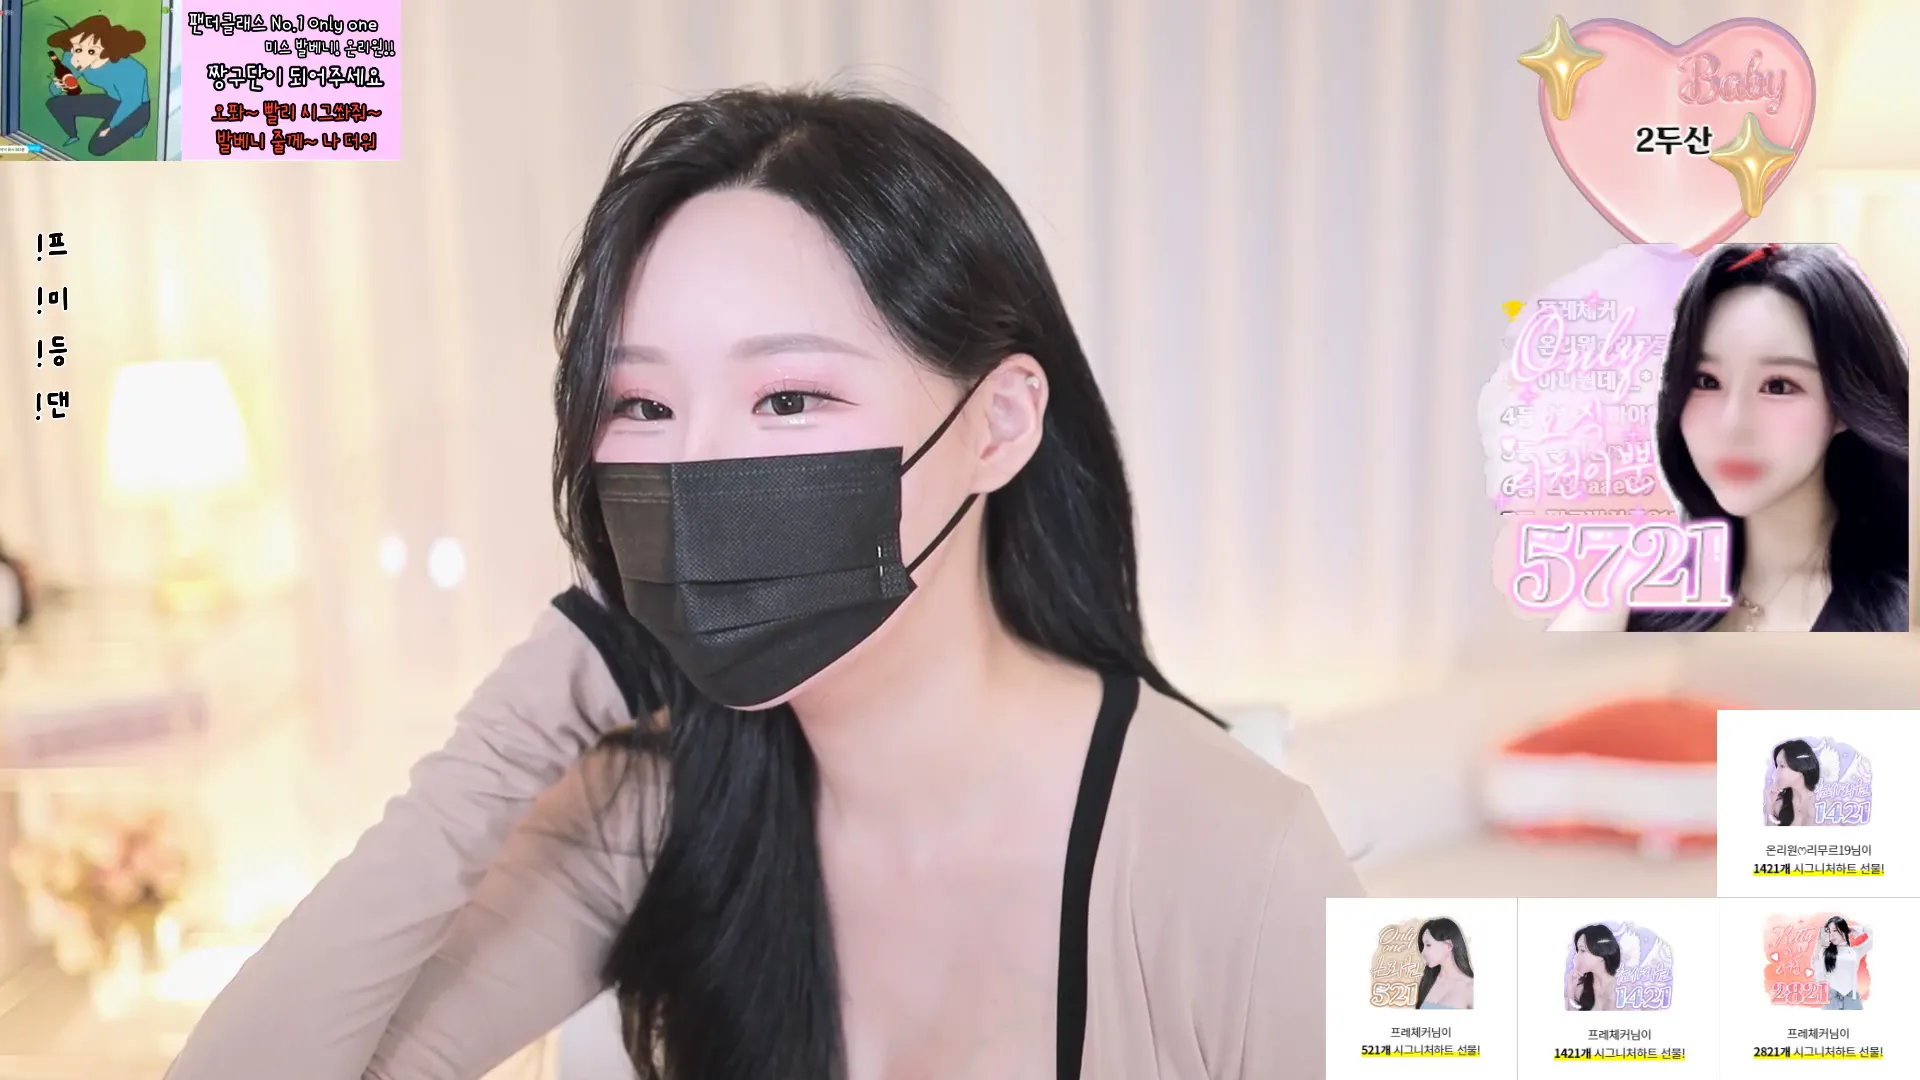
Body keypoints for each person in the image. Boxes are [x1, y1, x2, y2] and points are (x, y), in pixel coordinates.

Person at [163, 87, 1363, 1080]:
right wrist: (522, 721)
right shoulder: (653, 814)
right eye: (643, 404)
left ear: (997, 425)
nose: (695, 471)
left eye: (788, 398)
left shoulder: (1258, 861)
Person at [1550, 242, 1909, 632]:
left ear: (1843, 406)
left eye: (1778, 386)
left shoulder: (1897, 615)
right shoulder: (1639, 594)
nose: (1732, 424)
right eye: (1706, 381)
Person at [44, 15, 152, 156]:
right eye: (77, 49)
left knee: (97, 148)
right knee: (55, 104)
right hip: (111, 100)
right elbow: (56, 88)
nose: (77, 58)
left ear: (105, 48)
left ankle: (139, 126)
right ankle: (73, 135)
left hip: (137, 108)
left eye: (91, 51)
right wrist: (58, 85)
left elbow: (132, 102)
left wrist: (111, 127)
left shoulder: (132, 69)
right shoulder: (73, 56)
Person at [1414, 918, 1474, 1009]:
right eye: (1423, 946)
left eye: (1428, 945)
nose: (1423, 952)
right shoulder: (1428, 981)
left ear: (1448, 946)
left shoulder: (1471, 988)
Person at [1812, 917, 1870, 1010]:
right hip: (1832, 999)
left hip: (1852, 999)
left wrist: (1855, 929)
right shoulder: (1825, 953)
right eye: (1829, 931)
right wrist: (1818, 947)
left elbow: (1876, 937)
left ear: (1844, 931)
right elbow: (1819, 978)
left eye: (1835, 930)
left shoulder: (1855, 951)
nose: (1831, 935)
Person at [1765, 739, 1820, 826]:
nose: (1775, 773)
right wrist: (1770, 807)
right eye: (1777, 766)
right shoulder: (1779, 805)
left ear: (1801, 767)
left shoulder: (1825, 806)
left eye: (1782, 766)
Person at [1567, 924, 1620, 1011]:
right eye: (1578, 951)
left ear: (1602, 952)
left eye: (1582, 950)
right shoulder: (1580, 989)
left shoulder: (1624, 989)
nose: (1576, 958)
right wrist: (1570, 991)